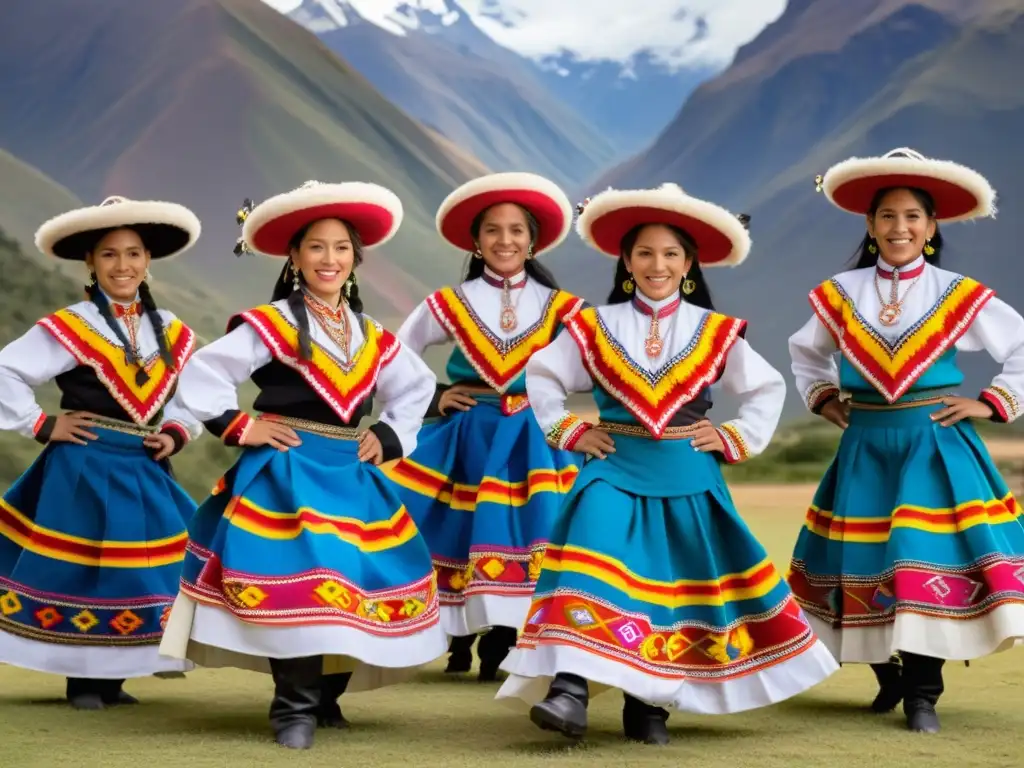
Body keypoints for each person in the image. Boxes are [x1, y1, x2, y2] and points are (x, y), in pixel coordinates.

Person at [496, 183, 839, 745]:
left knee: (672, 588)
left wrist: (730, 436)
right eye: (646, 253)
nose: (658, 265)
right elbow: (544, 378)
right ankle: (570, 688)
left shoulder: (717, 332)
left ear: (689, 264)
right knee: (586, 564)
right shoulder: (592, 326)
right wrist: (572, 431)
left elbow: (766, 389)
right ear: (626, 261)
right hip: (614, 465)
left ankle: (650, 705)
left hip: (687, 474)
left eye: (671, 254)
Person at [157, 180, 447, 750]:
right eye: (316, 247)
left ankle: (325, 700)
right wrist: (243, 426)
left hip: (350, 471)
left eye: (341, 247)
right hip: (286, 472)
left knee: (356, 580)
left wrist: (387, 435)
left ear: (355, 258)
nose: (329, 259)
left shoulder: (371, 335)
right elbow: (205, 374)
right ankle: (292, 707)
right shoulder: (268, 323)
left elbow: (414, 387)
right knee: (306, 583)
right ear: (294, 257)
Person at [787, 147, 1024, 734]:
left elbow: (1020, 345)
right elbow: (806, 353)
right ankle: (888, 676)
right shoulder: (839, 293)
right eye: (887, 216)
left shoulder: (958, 292)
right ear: (870, 225)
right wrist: (824, 397)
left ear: (932, 226)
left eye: (912, 217)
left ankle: (923, 692)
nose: (900, 228)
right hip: (865, 443)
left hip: (932, 442)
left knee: (922, 562)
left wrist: (989, 402)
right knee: (860, 562)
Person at [0, 195, 203, 709]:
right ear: (90, 262)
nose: (123, 265)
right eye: (109, 254)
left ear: (147, 261)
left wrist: (175, 431)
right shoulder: (72, 325)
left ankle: (115, 677)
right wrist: (43, 423)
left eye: (133, 253)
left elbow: (195, 398)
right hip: (84, 464)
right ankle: (84, 681)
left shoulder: (173, 331)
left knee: (142, 572)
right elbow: (7, 370)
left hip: (143, 466)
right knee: (85, 569)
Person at [381, 172, 585, 681]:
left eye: (517, 230)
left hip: (536, 436)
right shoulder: (448, 303)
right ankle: (460, 637)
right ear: (476, 241)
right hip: (471, 432)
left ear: (533, 240)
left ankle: (507, 638)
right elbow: (394, 358)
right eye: (493, 230)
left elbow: (598, 366)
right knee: (462, 527)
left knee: (532, 531)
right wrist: (433, 395)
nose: (505, 240)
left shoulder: (565, 308)